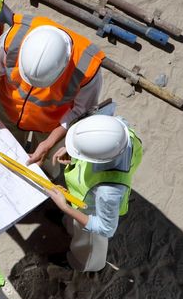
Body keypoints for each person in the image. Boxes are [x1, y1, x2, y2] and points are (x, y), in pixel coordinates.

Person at [0, 14, 105, 175]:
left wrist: (48, 144)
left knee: (44, 165)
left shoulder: (87, 68)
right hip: (8, 111)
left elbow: (80, 113)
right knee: (4, 154)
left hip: (50, 127)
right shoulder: (13, 40)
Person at [47, 114, 143, 272]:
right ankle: (69, 224)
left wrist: (65, 208)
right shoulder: (117, 129)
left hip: (92, 208)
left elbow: (105, 228)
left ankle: (82, 263)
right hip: (84, 194)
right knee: (75, 223)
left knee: (90, 242)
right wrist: (75, 151)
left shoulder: (109, 192)